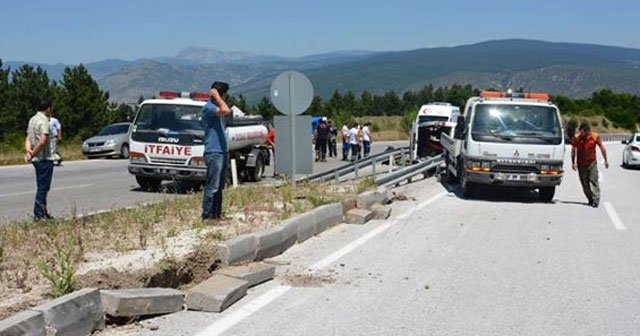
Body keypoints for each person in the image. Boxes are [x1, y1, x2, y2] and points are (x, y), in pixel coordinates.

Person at [201, 81, 231, 221]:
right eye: (225, 94)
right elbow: (226, 110)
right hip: (214, 152)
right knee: (212, 186)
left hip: (222, 151)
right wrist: (218, 97)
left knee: (219, 186)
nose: (226, 97)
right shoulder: (209, 107)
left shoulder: (216, 106)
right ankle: (207, 215)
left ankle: (217, 214)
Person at [24, 98, 55, 220]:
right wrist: (34, 153)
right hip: (44, 158)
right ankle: (39, 214)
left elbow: (27, 137)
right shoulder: (44, 121)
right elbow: (43, 141)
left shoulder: (32, 120)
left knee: (41, 186)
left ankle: (43, 211)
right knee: (43, 188)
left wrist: (29, 151)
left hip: (36, 160)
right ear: (48, 108)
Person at [571, 123, 609, 208]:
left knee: (594, 181)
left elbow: (602, 148)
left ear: (588, 131)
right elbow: (573, 150)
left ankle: (596, 200)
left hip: (592, 163)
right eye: (580, 132)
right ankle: (590, 199)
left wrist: (606, 160)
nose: (581, 134)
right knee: (585, 184)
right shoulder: (577, 138)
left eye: (583, 133)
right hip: (581, 164)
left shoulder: (595, 136)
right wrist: (573, 163)